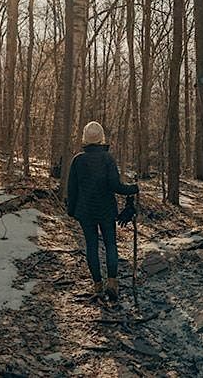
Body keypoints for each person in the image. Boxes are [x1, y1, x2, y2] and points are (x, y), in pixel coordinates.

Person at [67, 121, 139, 301]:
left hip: (85, 211)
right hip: (106, 209)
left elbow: (72, 189)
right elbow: (116, 186)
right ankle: (112, 282)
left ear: (85, 137)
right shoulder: (107, 159)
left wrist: (71, 211)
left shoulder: (78, 160)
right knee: (110, 244)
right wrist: (133, 189)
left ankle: (97, 284)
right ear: (101, 137)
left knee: (91, 246)